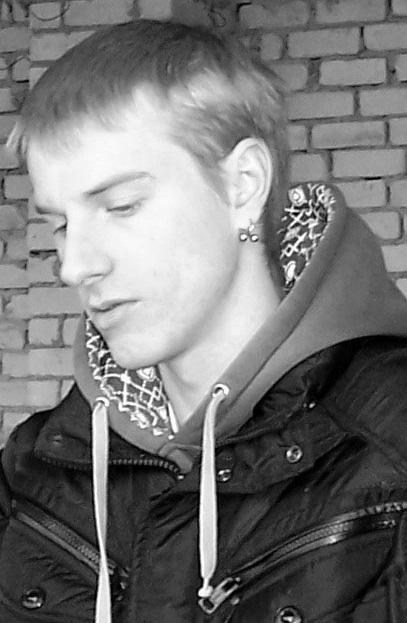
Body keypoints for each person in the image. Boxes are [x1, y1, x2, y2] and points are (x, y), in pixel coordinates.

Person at [1, 18, 407, 623]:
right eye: (60, 225)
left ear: (243, 185)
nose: (74, 265)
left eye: (121, 206)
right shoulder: (35, 467)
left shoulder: (390, 444)